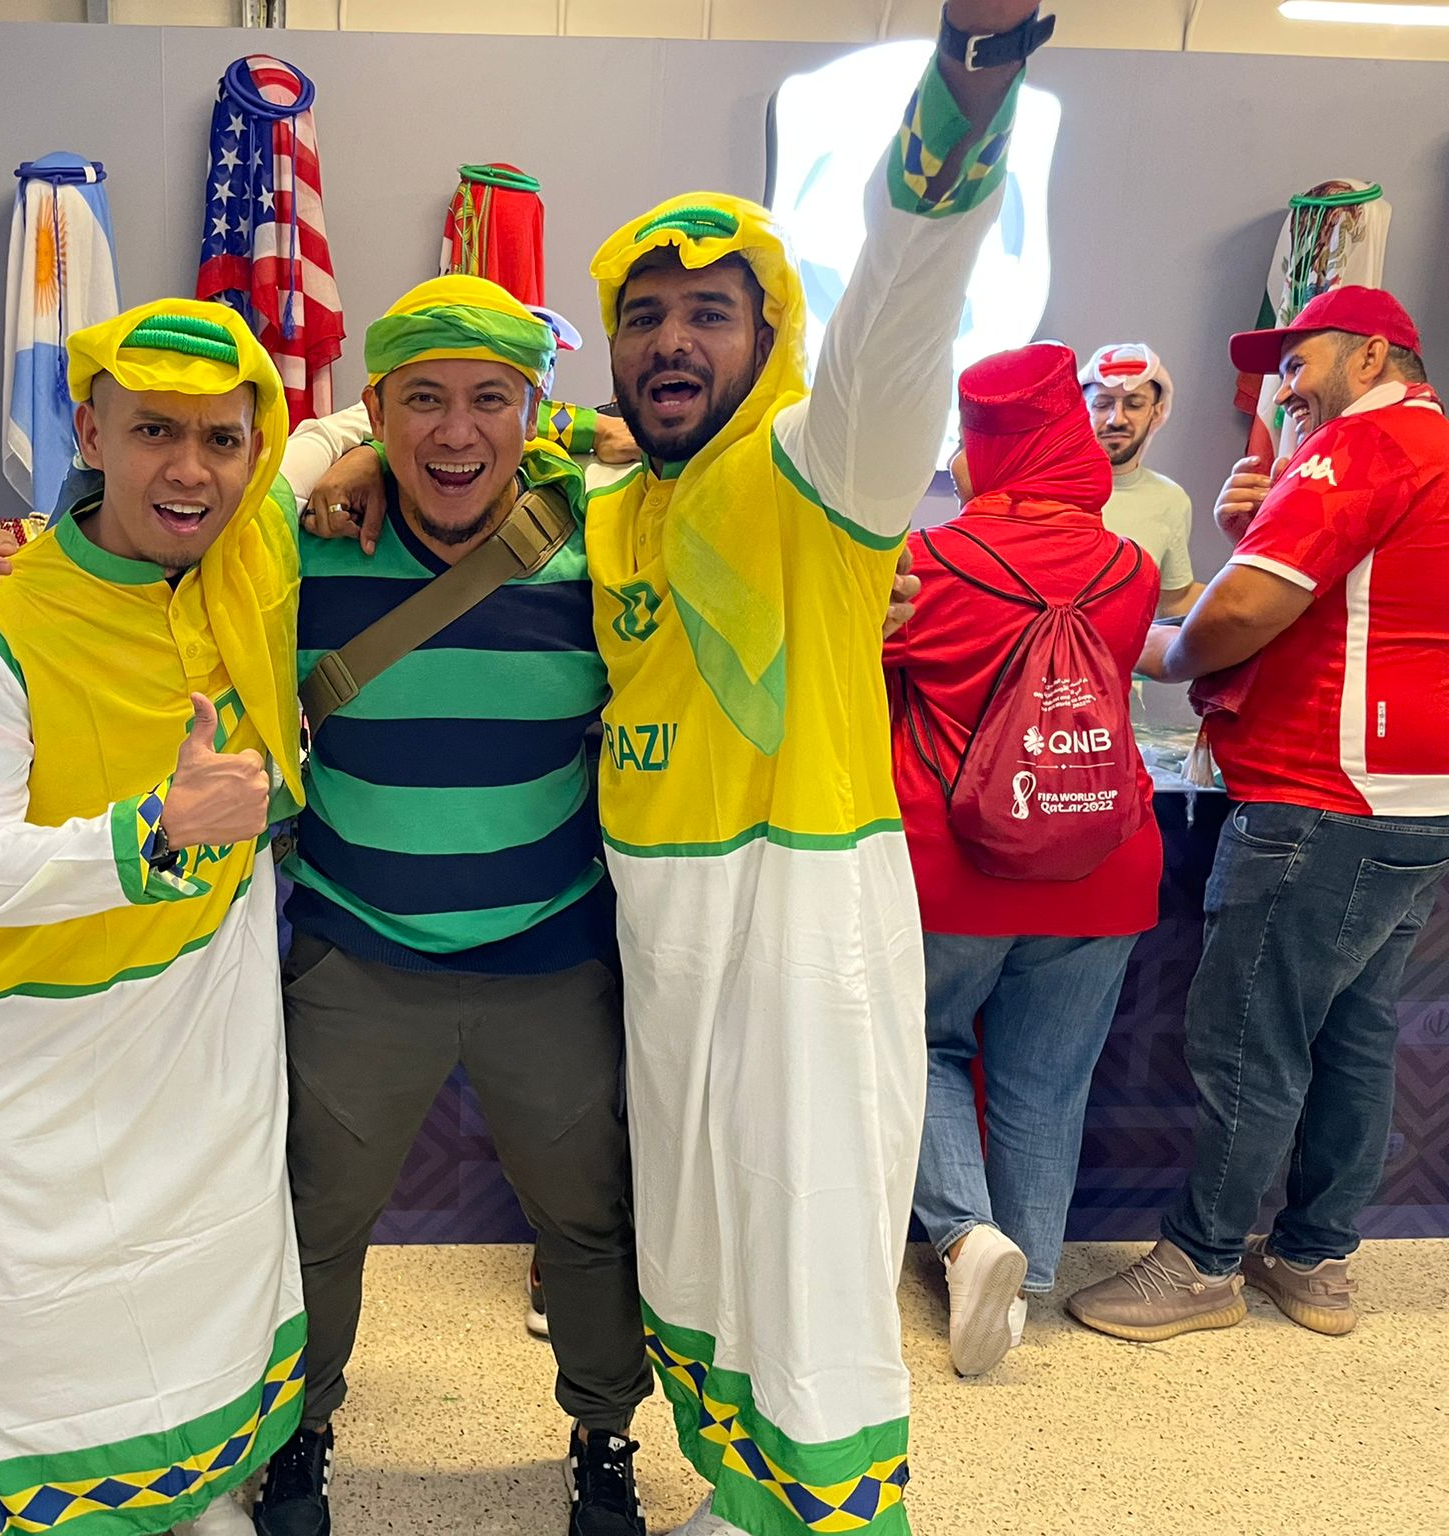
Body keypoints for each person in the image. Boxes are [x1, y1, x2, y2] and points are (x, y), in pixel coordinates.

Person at [0, 276, 655, 1536]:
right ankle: (297, 1433)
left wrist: (876, 591)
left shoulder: (599, 540)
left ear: (532, 408)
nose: (455, 432)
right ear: (374, 408)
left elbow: (713, 551)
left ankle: (603, 1433)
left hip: (546, 951)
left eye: (490, 399)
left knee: (586, 1217)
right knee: (314, 1219)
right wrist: (20, 551)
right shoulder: (293, 549)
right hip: (354, 951)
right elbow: (162, 507)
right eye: (420, 401)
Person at [580, 9, 1040, 1530]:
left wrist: (970, 78)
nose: (672, 340)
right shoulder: (609, 505)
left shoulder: (822, 464)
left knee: (808, 1233)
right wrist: (342, 451)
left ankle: (833, 1510)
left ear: (769, 335)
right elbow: (436, 433)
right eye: (645, 314)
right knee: (700, 1232)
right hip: (658, 922)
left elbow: (904, 300)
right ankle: (743, 1483)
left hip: (802, 914)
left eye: (711, 313)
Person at [0, 300, 306, 1536]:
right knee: (55, 1314)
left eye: (220, 439)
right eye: (152, 432)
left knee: (209, 1271)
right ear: (89, 434)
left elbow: (364, 426)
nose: (190, 469)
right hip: (50, 1048)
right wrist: (151, 834)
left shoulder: (252, 546)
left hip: (205, 1017)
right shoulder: (1, 627)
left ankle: (196, 1490)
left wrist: (591, 437)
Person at [1068, 285, 1449, 1343]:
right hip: (1410, 795)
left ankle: (1198, 1264)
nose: (1284, 387)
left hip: (1320, 792)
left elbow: (1235, 612)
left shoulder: (1360, 447)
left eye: (1298, 361)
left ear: (1370, 358)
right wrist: (1258, 523)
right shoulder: (1422, 448)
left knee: (1246, 1032)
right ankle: (1315, 1257)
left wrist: (1150, 650)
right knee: (1353, 1030)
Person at [884, 343, 1161, 1378]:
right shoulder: (1131, 568)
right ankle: (1027, 1283)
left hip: (954, 865)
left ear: (986, 446)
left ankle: (967, 1244)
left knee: (921, 1043)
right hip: (1103, 861)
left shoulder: (924, 561)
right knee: (1048, 1080)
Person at [1080, 342, 1206, 616]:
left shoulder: (1171, 499)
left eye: (1134, 404)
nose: (1116, 419)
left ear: (1156, 412)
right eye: (1102, 404)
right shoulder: (1041, 489)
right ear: (1082, 410)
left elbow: (1173, 600)